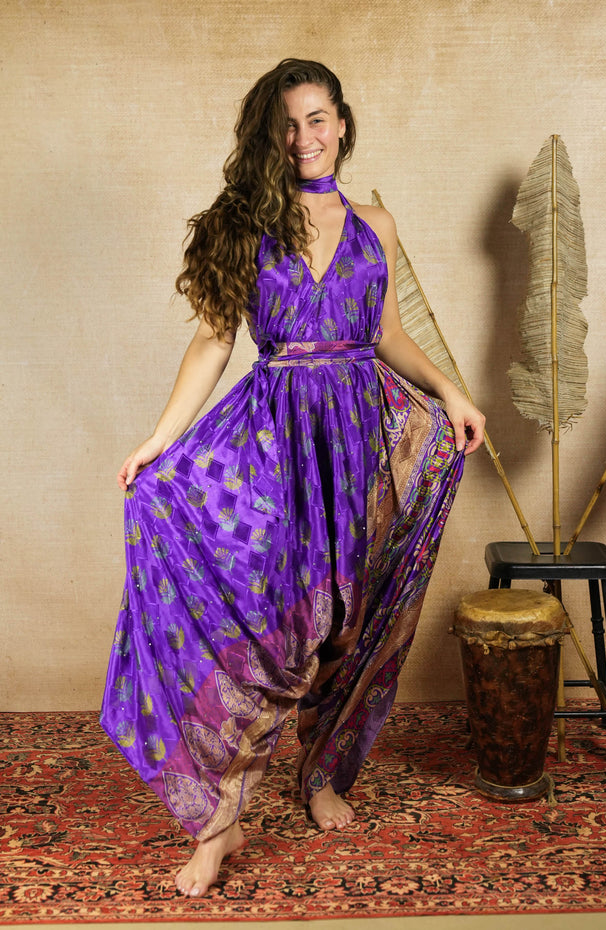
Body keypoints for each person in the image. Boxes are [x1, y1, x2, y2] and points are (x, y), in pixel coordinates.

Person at [100, 58, 485, 898]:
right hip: (275, 442)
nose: (304, 137)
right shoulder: (246, 222)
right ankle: (219, 820)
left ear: (341, 123)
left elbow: (387, 333)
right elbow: (214, 341)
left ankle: (321, 772)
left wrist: (451, 392)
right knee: (276, 625)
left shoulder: (376, 223)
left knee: (348, 621)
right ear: (267, 136)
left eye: (317, 118)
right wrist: (159, 440)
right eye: (287, 123)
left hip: (358, 440)